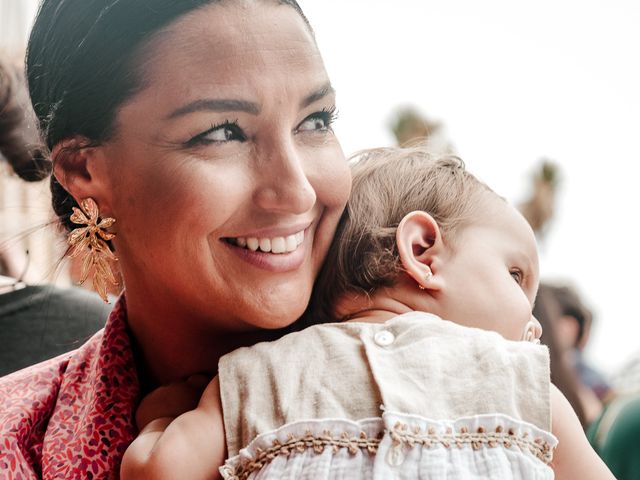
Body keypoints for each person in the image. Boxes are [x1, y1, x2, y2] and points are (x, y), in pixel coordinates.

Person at [0, 0, 351, 477]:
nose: (296, 192)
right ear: (83, 170)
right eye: (223, 132)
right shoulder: (16, 446)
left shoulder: (452, 385)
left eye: (315, 121)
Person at [122, 147, 614, 479]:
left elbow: (159, 470)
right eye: (515, 276)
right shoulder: (522, 386)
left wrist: (167, 411)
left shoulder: (255, 378)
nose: (534, 324)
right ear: (423, 253)